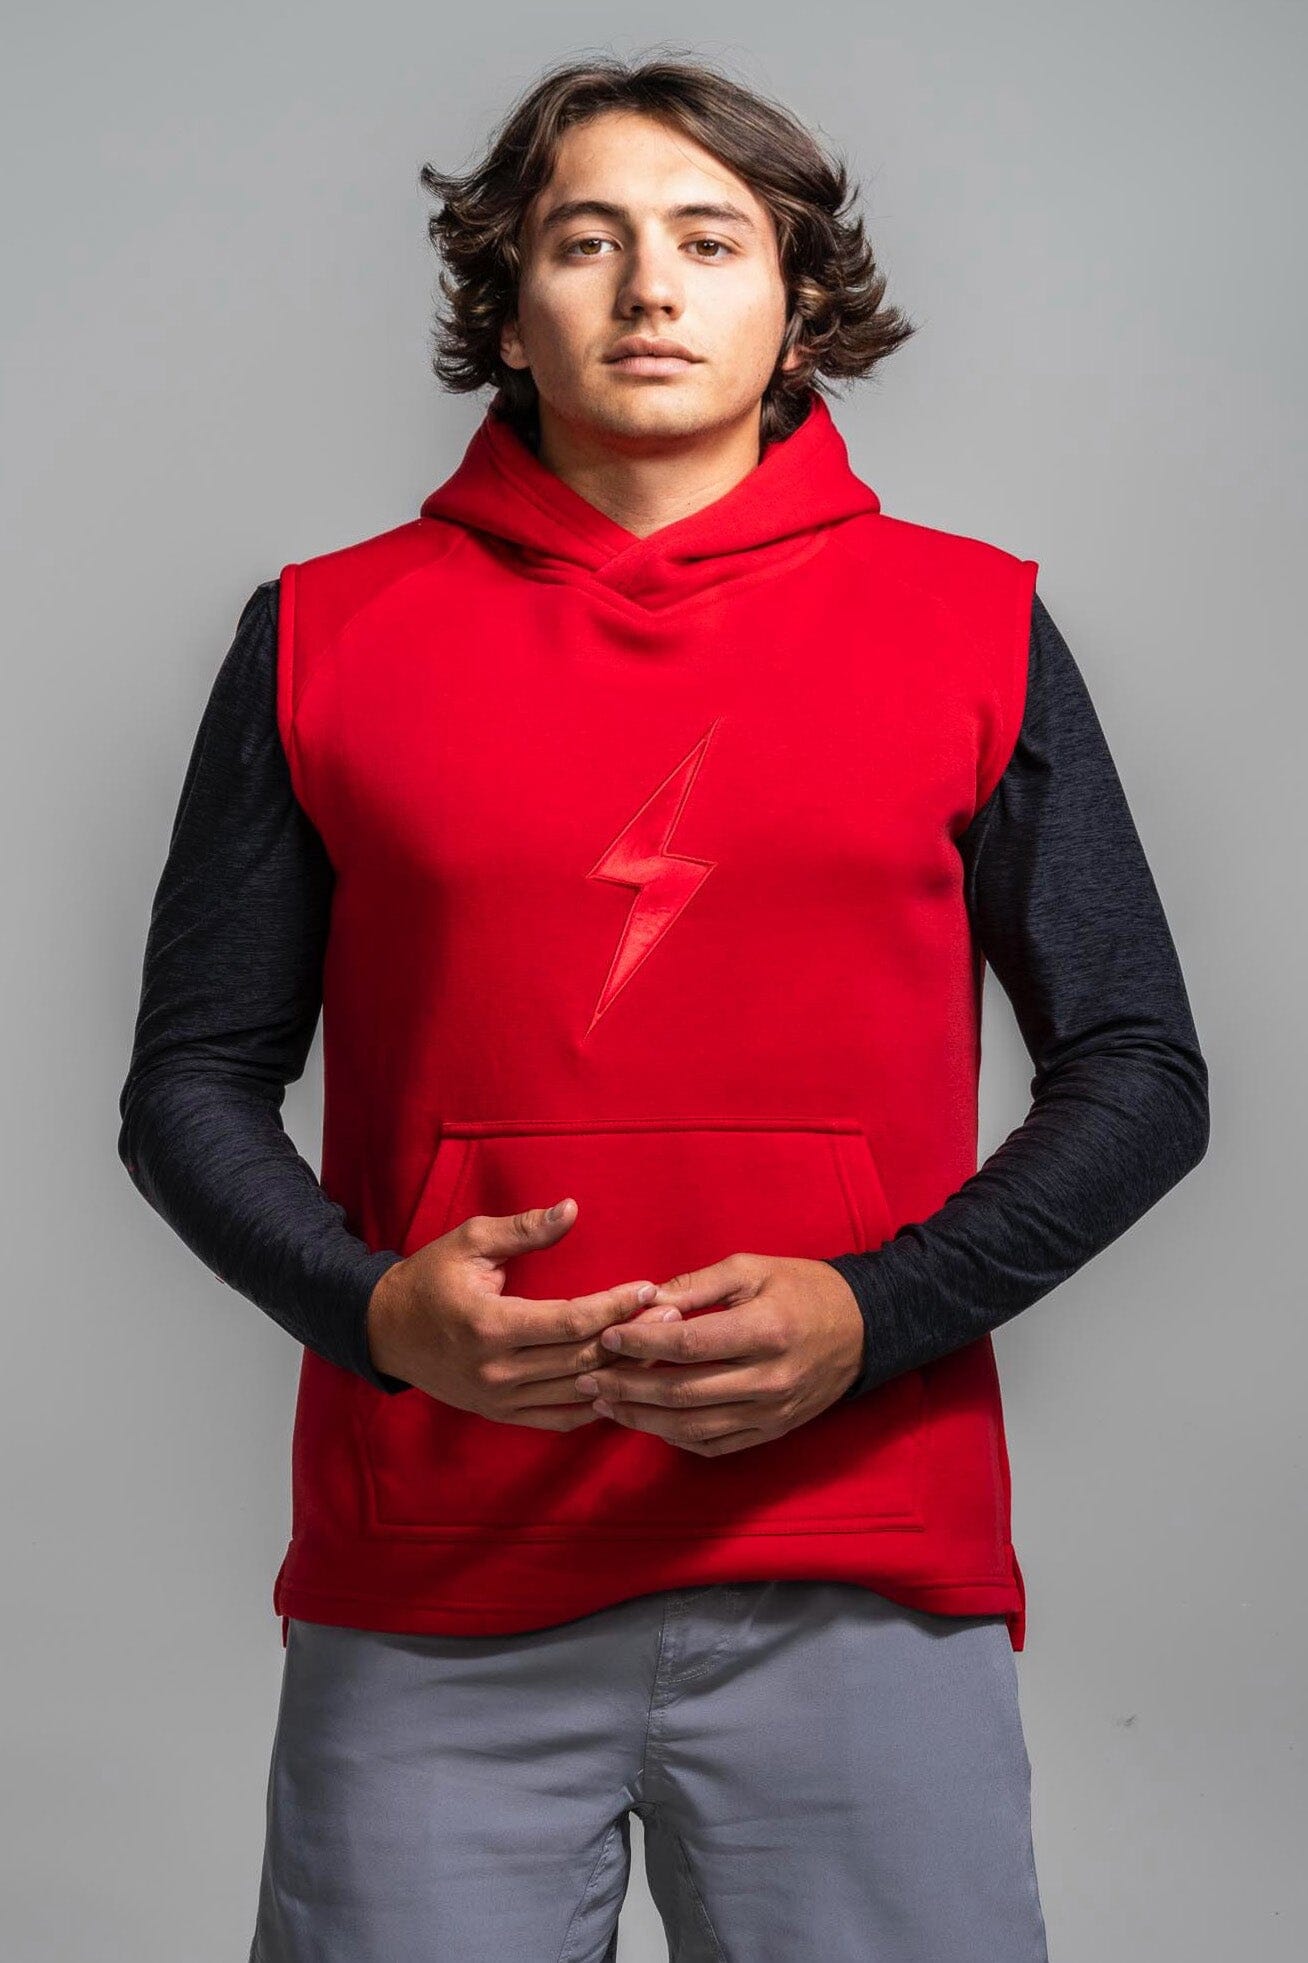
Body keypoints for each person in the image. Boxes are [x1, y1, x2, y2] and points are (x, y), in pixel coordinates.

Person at [118, 54, 1209, 1963]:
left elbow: (1142, 1072)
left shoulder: (973, 625)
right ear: (505, 300)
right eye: (587, 241)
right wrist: (375, 1316)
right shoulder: (321, 634)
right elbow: (190, 1083)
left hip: (860, 1557)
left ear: (798, 303)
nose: (648, 289)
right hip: (433, 1576)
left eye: (711, 241)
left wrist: (874, 1313)